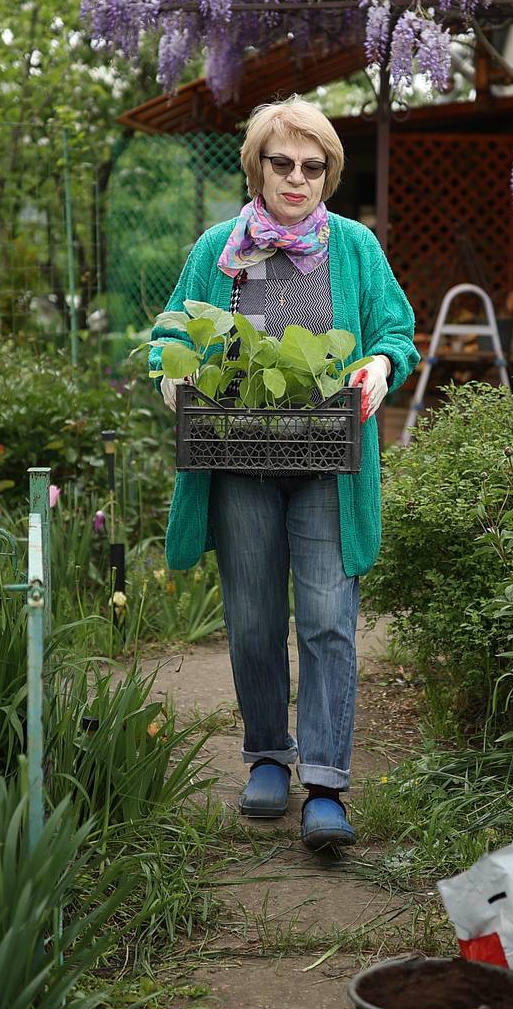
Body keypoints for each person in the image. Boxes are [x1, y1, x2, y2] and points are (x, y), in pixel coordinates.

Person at [149, 96, 418, 851]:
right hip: (237, 452)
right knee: (255, 617)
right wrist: (171, 373)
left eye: (314, 166)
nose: (298, 179)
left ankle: (326, 782)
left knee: (329, 617)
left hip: (329, 460)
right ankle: (268, 755)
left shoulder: (355, 248)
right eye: (283, 164)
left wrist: (378, 365)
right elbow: (171, 328)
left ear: (328, 173)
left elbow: (399, 331)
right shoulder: (218, 248)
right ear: (257, 168)